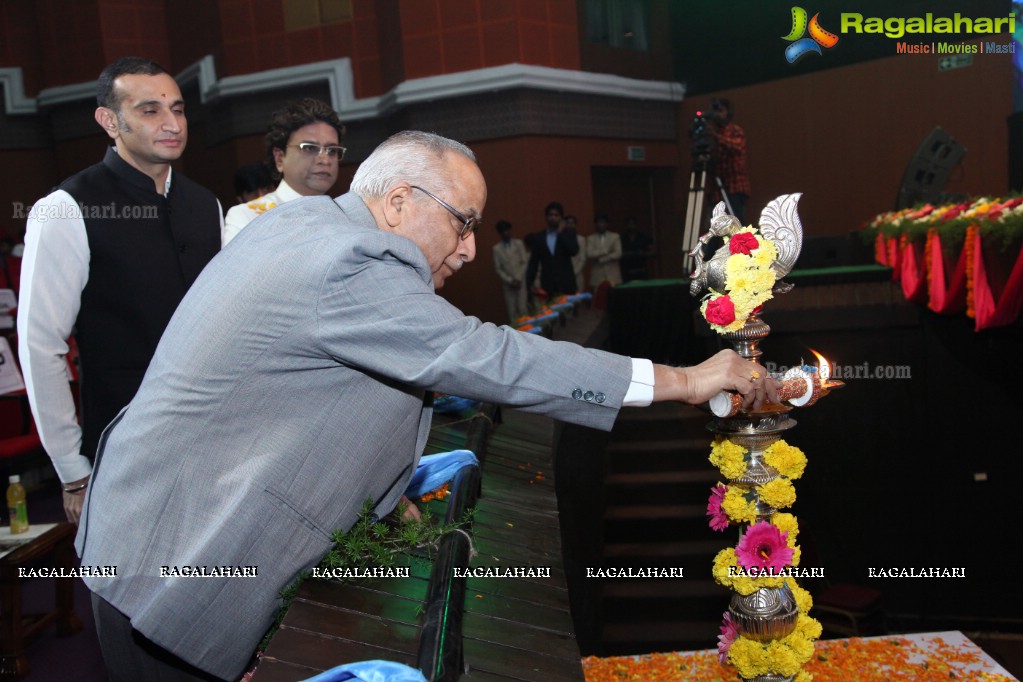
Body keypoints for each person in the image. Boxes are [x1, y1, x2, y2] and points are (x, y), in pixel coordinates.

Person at [75, 131, 777, 682]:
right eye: (462, 223)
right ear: (401, 200)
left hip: (141, 532)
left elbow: (314, 396)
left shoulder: (305, 227)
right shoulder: (355, 258)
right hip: (171, 563)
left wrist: (385, 496)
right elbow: (489, 357)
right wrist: (683, 380)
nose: (471, 249)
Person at [17, 56, 222, 526]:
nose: (172, 124)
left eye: (178, 108)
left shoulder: (203, 203)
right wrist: (72, 471)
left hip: (213, 440)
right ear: (110, 120)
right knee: (127, 592)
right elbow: (41, 347)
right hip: (121, 448)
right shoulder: (65, 208)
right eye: (150, 110)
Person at [223, 98, 346, 244]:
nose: (324, 160)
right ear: (280, 158)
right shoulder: (248, 217)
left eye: (332, 150)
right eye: (309, 148)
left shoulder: (346, 217)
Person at [709, 97, 751, 225]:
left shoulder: (735, 131)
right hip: (718, 188)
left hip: (735, 186)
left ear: (728, 112)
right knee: (716, 225)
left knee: (737, 222)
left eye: (721, 110)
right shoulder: (712, 133)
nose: (718, 114)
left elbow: (737, 147)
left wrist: (716, 137)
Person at [525, 201, 579, 299]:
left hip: (566, 283)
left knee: (569, 313)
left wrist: (560, 233)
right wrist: (529, 283)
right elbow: (534, 262)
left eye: (556, 215)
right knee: (550, 313)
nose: (553, 217)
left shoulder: (569, 233)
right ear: (546, 217)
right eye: (550, 215)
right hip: (548, 285)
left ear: (561, 218)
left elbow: (574, 251)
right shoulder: (539, 237)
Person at [492, 219, 529, 323]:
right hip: (508, 285)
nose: (505, 233)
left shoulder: (519, 244)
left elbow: (524, 262)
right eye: (503, 231)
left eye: (507, 230)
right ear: (499, 233)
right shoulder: (496, 249)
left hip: (520, 281)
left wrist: (518, 278)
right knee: (512, 312)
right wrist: (510, 280)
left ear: (510, 230)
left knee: (523, 309)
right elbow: (498, 269)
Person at [586, 213, 623, 288]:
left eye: (603, 222)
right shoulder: (590, 238)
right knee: (599, 298)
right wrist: (605, 251)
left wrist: (602, 259)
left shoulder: (615, 236)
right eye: (599, 222)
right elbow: (589, 254)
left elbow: (618, 253)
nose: (601, 224)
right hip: (597, 276)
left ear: (607, 224)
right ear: (595, 224)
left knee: (614, 298)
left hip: (613, 276)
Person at [619, 216, 652, 281]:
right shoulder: (621, 238)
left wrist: (641, 253)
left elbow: (652, 252)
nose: (631, 226)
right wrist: (626, 254)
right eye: (629, 224)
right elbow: (618, 253)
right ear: (626, 226)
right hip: (627, 270)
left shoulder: (644, 237)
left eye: (633, 224)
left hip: (641, 269)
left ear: (636, 225)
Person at [566, 214, 587, 293]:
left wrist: (573, 273)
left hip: (577, 274)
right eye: (568, 223)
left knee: (578, 300)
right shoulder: (560, 238)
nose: (570, 225)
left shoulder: (581, 239)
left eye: (572, 223)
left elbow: (583, 259)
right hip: (564, 276)